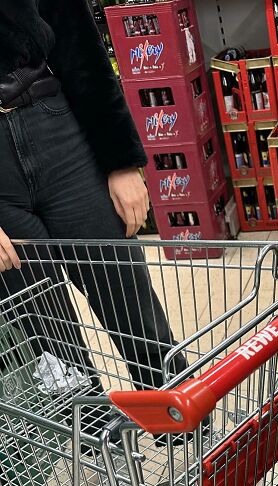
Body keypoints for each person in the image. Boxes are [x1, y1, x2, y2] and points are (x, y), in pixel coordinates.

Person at [0, 0, 186, 406]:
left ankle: (184, 426)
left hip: (57, 130)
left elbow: (78, 41)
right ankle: (93, 437)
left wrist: (120, 160)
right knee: (47, 337)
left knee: (131, 303)